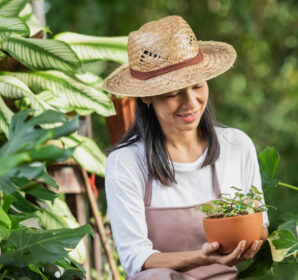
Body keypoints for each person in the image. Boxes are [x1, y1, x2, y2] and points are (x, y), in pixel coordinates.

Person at [102, 15, 269, 280]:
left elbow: (261, 224)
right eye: (173, 93)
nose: (191, 103)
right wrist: (200, 258)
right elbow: (136, 258)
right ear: (146, 96)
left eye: (197, 86)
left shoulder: (236, 146)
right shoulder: (127, 162)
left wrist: (248, 239)